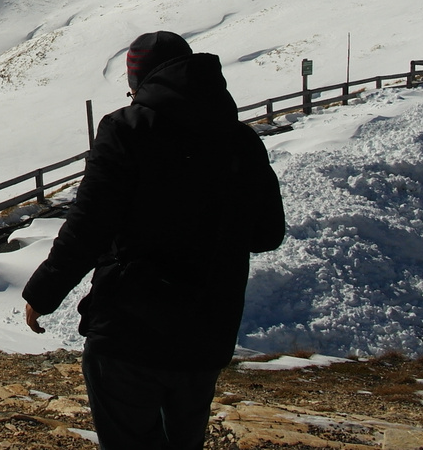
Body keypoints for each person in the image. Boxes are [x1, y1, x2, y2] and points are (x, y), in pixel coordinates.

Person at [21, 31, 285, 450]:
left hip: (129, 329)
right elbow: (268, 233)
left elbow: (89, 225)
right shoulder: (241, 142)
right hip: (206, 332)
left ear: (139, 78)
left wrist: (43, 292)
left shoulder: (127, 130)